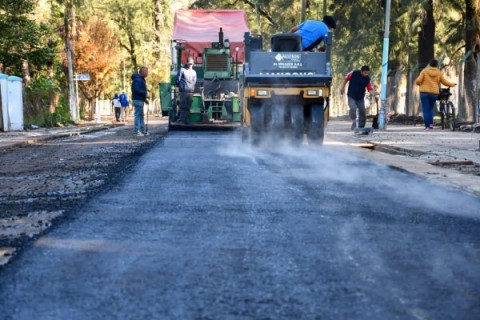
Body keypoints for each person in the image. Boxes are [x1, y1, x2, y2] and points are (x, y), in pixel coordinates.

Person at [415, 60, 456, 131]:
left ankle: (427, 126)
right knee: (431, 109)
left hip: (424, 93)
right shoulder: (438, 73)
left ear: (430, 65)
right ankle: (430, 124)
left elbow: (418, 81)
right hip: (434, 93)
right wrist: (451, 84)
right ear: (436, 65)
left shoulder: (424, 71)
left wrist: (420, 84)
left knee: (425, 110)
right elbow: (444, 82)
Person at [339, 65, 376, 130]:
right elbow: (346, 78)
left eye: (367, 73)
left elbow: (370, 89)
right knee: (353, 107)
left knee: (362, 110)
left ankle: (361, 127)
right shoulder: (354, 73)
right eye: (365, 72)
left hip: (360, 98)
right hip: (351, 96)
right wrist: (342, 87)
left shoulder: (367, 79)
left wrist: (374, 95)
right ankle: (354, 120)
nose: (366, 74)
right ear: (361, 71)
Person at [177, 57, 197, 124]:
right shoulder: (182, 70)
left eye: (191, 64)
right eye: (189, 64)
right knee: (183, 106)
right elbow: (178, 80)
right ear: (187, 63)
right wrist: (181, 87)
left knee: (188, 107)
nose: (190, 65)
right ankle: (182, 121)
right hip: (183, 91)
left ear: (193, 63)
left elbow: (194, 81)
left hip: (190, 91)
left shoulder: (194, 72)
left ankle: (186, 120)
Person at [131, 66, 149, 136]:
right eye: (146, 72)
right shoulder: (138, 80)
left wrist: (144, 99)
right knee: (138, 116)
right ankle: (136, 131)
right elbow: (136, 90)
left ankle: (142, 130)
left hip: (140, 99)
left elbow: (138, 91)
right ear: (143, 72)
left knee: (141, 116)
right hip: (137, 100)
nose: (147, 73)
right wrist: (145, 94)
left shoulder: (140, 79)